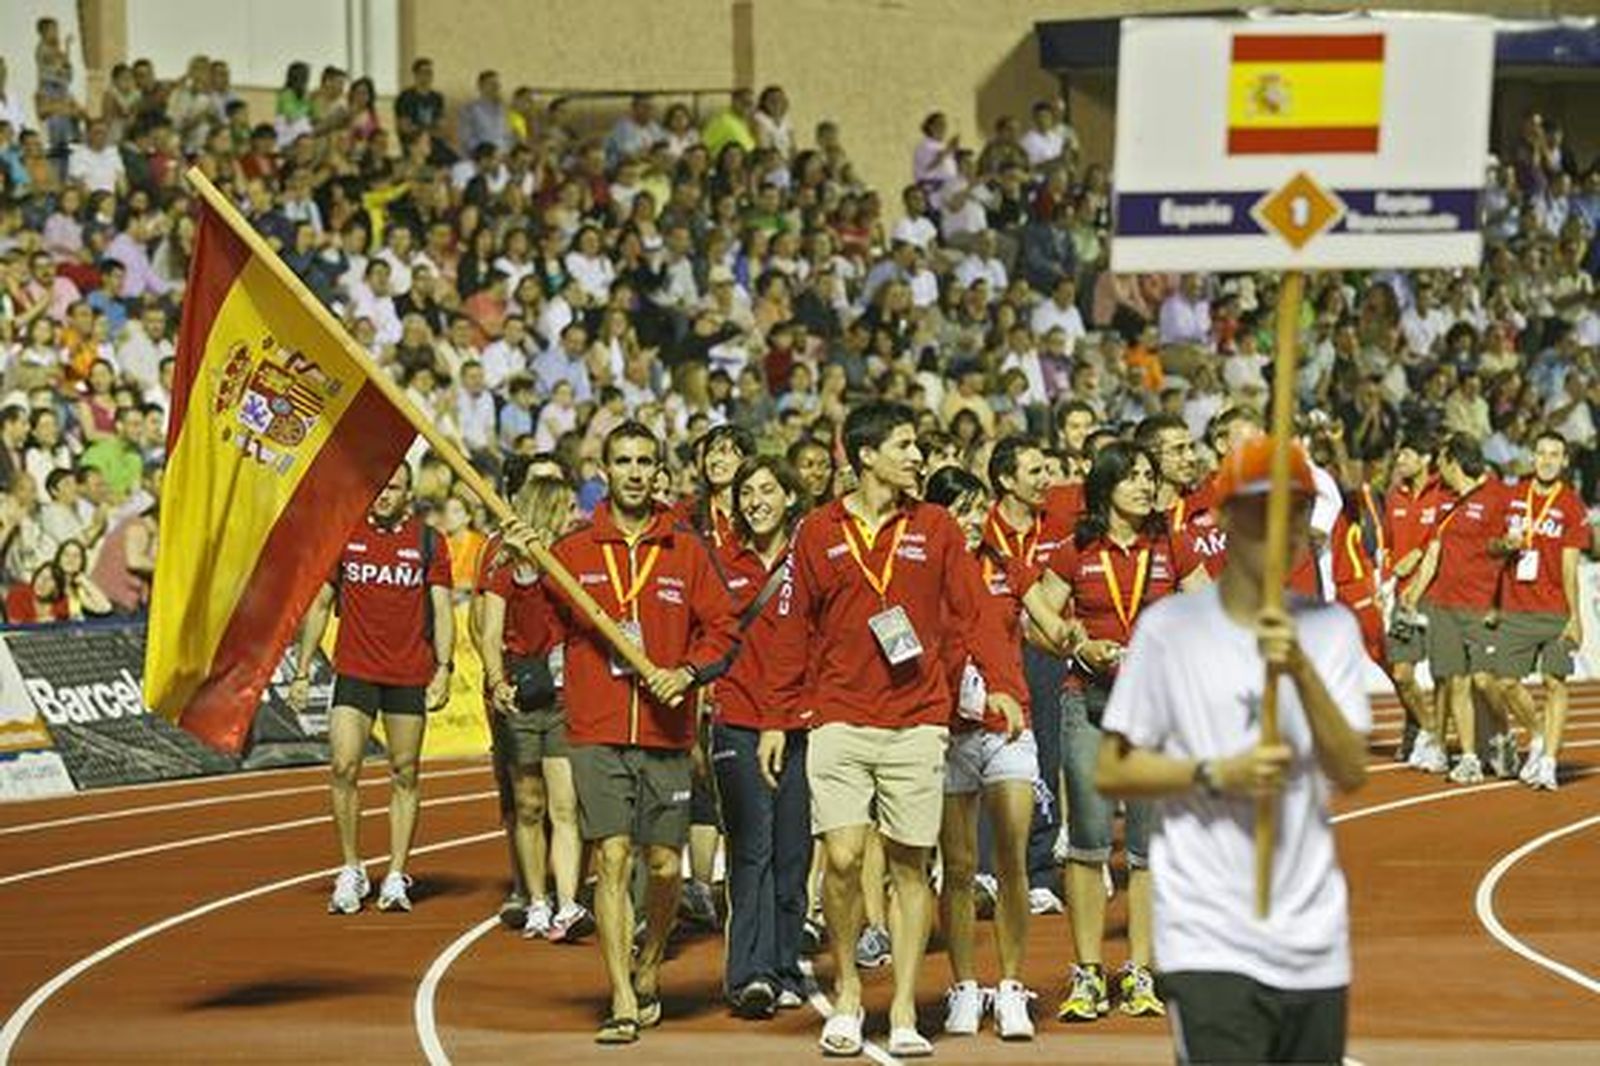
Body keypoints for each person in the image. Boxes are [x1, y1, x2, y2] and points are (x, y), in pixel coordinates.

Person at [1094, 436, 1370, 1065]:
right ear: (1223, 518)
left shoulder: (1331, 630)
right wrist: (1216, 772)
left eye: (1298, 510)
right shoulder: (1170, 630)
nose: (1284, 526)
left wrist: (1298, 667)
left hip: (1312, 935)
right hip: (1207, 933)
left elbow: (1350, 769)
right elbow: (1113, 768)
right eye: (1263, 509)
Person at [768, 401, 1025, 1057]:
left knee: (913, 863)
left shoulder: (936, 526)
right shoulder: (817, 530)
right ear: (865, 455)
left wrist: (1002, 684)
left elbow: (975, 613)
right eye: (906, 445)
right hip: (838, 716)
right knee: (847, 857)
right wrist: (776, 716)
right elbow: (792, 628)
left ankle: (905, 1004)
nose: (918, 457)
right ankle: (851, 992)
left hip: (917, 719)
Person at [520, 421, 738, 1045]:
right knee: (612, 858)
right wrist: (529, 571)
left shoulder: (685, 548)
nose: (636, 472)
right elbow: (538, 632)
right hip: (595, 728)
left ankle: (650, 960)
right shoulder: (572, 550)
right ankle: (620, 994)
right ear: (605, 470)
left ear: (658, 471)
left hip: (666, 729)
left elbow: (722, 629)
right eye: (624, 461)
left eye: (646, 461)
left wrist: (689, 673)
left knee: (666, 866)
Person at [1027, 441, 1208, 1024]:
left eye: (1149, 476)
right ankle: (1087, 972)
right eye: (1131, 476)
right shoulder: (1075, 550)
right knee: (1089, 839)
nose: (1144, 485)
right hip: (1089, 702)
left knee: (1148, 847)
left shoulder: (1172, 543)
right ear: (1104, 487)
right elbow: (1036, 624)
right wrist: (1080, 643)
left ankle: (1140, 971)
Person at [289, 463, 455, 915]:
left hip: (407, 674)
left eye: (394, 487)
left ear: (408, 493)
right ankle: (352, 867)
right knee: (343, 766)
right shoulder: (344, 535)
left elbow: (442, 611)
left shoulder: (428, 542)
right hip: (355, 671)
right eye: (378, 486)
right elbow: (321, 604)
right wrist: (302, 671)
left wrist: (444, 668)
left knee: (405, 772)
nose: (384, 494)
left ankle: (397, 872)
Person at [923, 464, 1045, 1041]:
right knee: (961, 865)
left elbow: (1049, 619)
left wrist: (1072, 634)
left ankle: (1013, 985)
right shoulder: (917, 569)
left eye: (978, 508)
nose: (972, 520)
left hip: (1006, 726)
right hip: (947, 732)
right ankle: (966, 985)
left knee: (1013, 855)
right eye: (959, 509)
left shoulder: (1004, 567)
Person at [474, 475, 594, 940]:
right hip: (523, 697)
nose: (574, 517)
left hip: (565, 697)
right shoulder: (503, 569)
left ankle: (567, 903)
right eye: (566, 508)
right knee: (527, 803)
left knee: (564, 804)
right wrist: (497, 680)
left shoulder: (570, 563)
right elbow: (489, 633)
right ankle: (537, 899)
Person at [712, 455, 810, 1018]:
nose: (756, 500)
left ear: (789, 497)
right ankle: (749, 974)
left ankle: (786, 963)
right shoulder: (721, 562)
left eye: (768, 489)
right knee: (753, 848)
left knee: (795, 852)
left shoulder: (811, 559)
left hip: (802, 722)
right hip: (740, 719)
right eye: (747, 492)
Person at [1402, 436, 1514, 784]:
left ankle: (1504, 734)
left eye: (1442, 461)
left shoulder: (1498, 496)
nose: (1439, 468)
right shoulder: (1445, 503)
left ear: (1455, 462)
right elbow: (1434, 551)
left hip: (1482, 604)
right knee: (1457, 681)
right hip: (1446, 603)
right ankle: (1468, 757)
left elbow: (1511, 544)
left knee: (1485, 680)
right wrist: (1414, 592)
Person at [1491, 431, 1589, 791]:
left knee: (1554, 683)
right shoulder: (1513, 497)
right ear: (1532, 458)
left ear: (1564, 461)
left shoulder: (1571, 505)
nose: (1547, 460)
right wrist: (1505, 543)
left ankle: (1548, 761)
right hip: (1516, 607)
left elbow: (1570, 568)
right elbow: (1491, 547)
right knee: (1504, 682)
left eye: (1554, 454)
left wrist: (1575, 617)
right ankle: (1536, 734)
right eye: (1541, 453)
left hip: (1554, 610)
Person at [1381, 429, 1451, 772]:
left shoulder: (1444, 492)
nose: (1399, 461)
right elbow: (1391, 545)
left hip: (1438, 595)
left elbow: (1447, 541)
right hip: (1404, 599)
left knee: (1442, 674)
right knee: (1402, 673)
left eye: (1406, 455)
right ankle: (1428, 729)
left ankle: (1437, 741)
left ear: (1425, 459)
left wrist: (1420, 553)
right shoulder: (1394, 496)